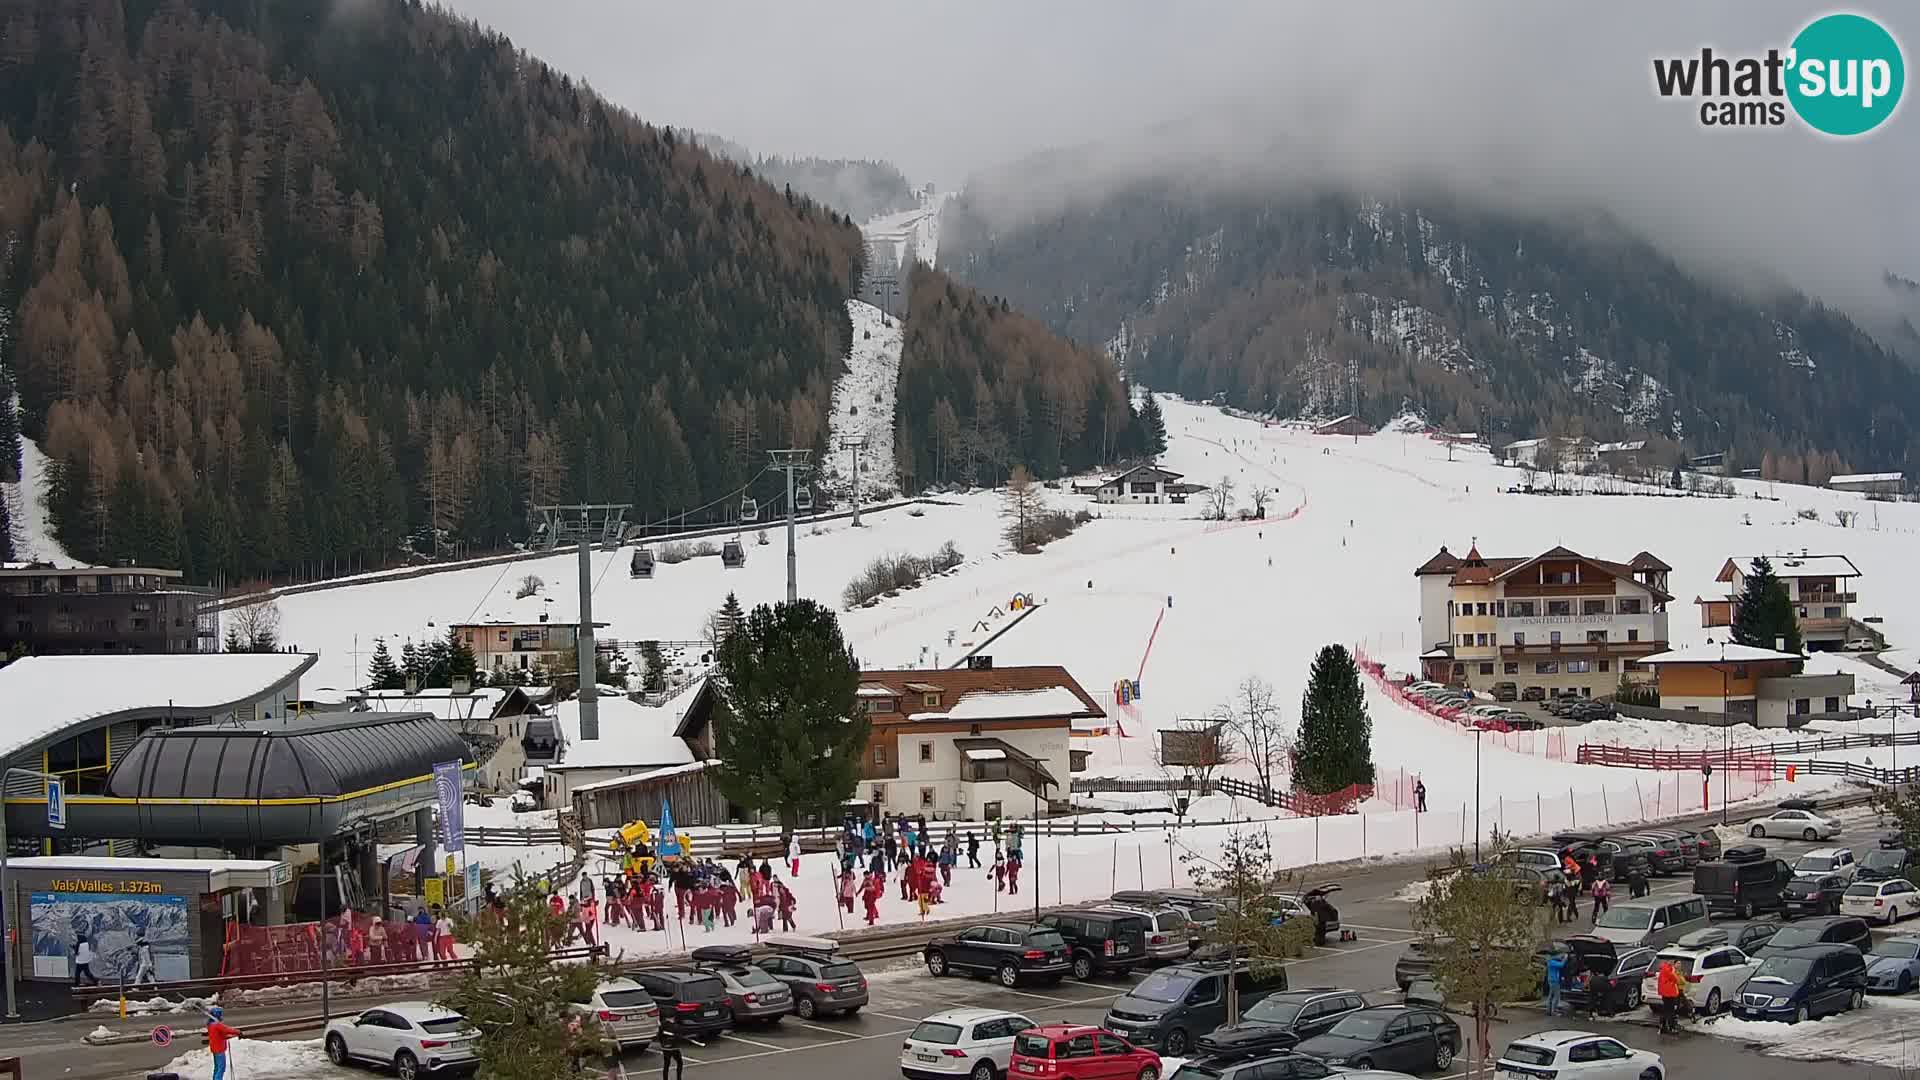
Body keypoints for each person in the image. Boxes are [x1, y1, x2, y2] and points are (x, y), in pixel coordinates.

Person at [206, 1005, 243, 1080]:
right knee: (221, 1068)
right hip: (219, 1049)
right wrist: (238, 1032)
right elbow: (227, 1029)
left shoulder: (211, 1025)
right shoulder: (217, 1025)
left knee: (217, 1067)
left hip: (215, 1048)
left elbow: (221, 1033)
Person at [1656, 959, 1684, 1033]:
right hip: (1670, 993)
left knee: (1665, 1009)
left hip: (1665, 993)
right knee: (1670, 1010)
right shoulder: (1669, 970)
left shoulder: (1663, 969)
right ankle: (1671, 1027)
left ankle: (1663, 1025)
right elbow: (1676, 979)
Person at [1544, 948, 1568, 1016]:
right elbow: (1561, 965)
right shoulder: (1552, 962)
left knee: (1551, 996)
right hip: (1554, 980)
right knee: (1556, 996)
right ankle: (1554, 1012)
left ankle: (1549, 1010)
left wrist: (1561, 957)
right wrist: (1565, 958)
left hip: (1551, 980)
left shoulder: (1550, 961)